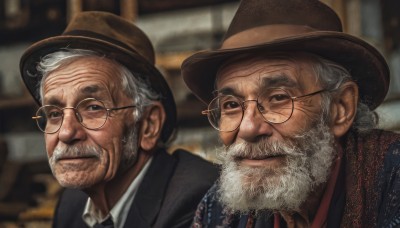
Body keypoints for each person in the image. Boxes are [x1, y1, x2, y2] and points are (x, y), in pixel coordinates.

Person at [181, 0, 400, 227]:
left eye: (278, 98)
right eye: (231, 105)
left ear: (340, 108)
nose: (247, 128)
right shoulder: (218, 210)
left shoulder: (392, 182)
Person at [19, 11, 218, 228]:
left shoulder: (197, 200)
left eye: (93, 108)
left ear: (149, 125)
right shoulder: (72, 202)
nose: (66, 133)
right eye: (55, 114)